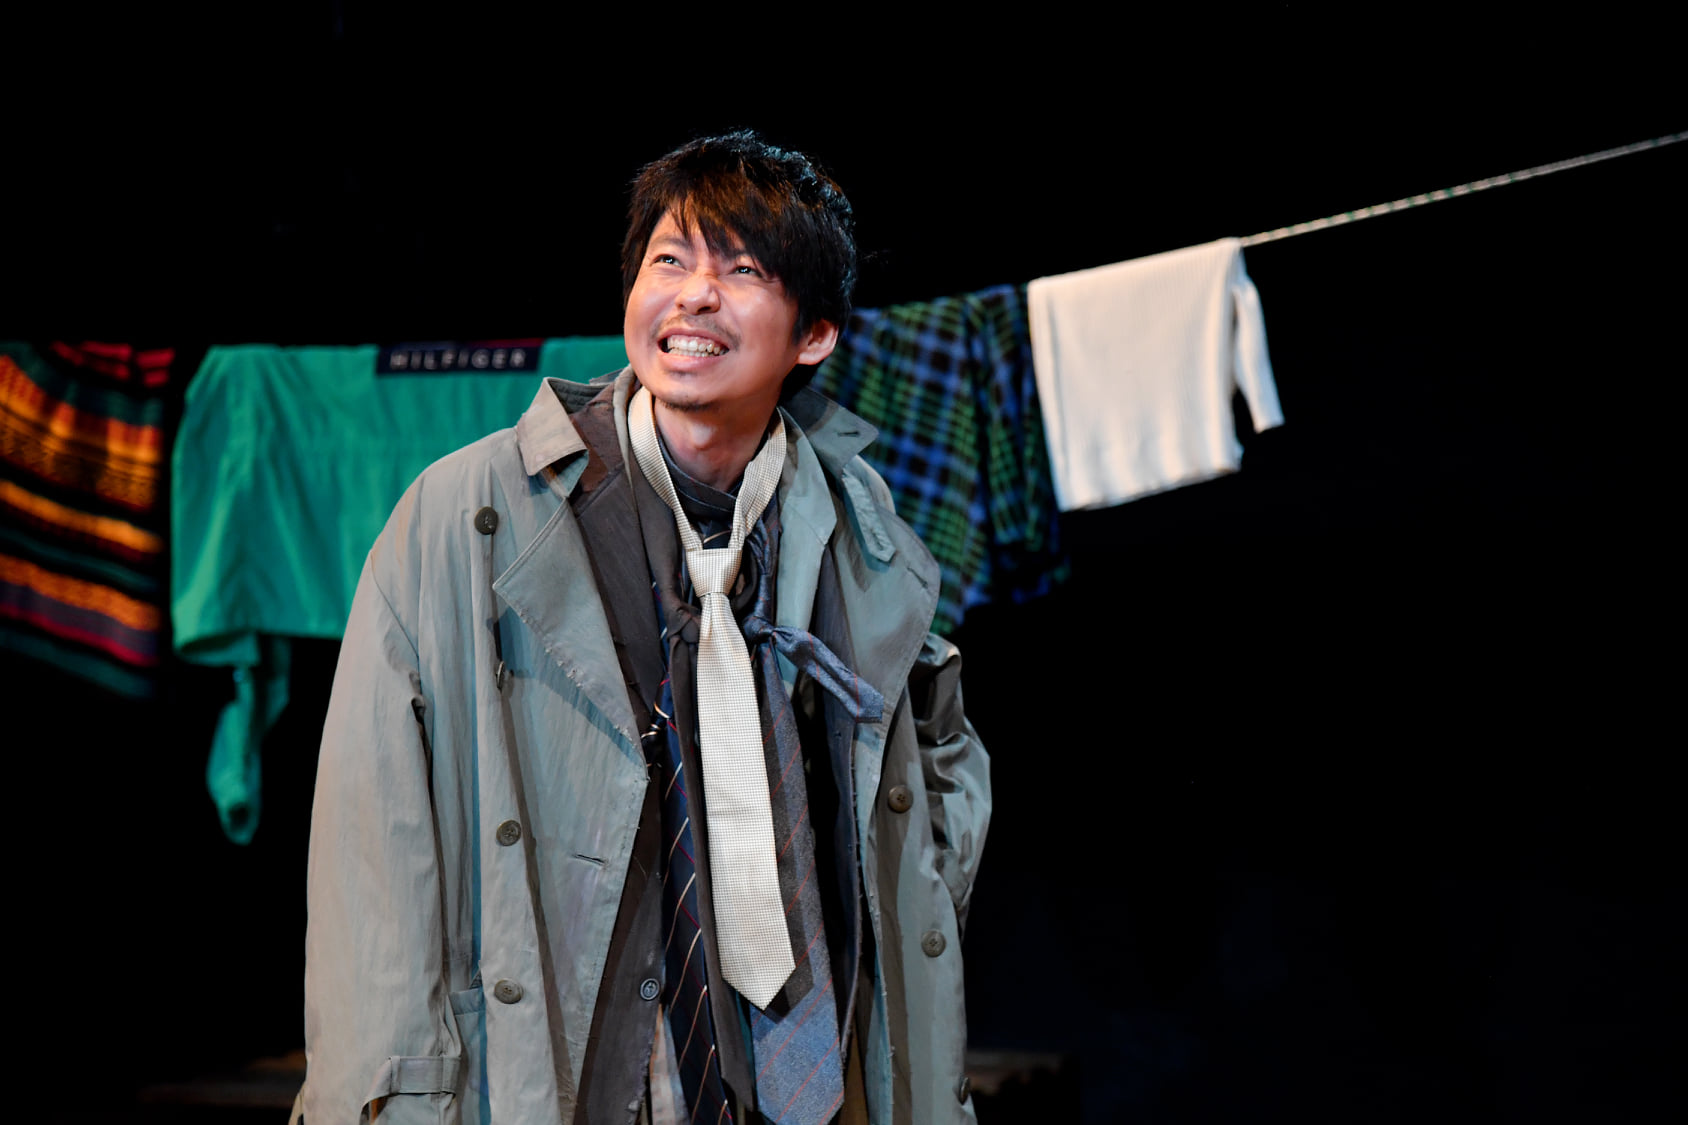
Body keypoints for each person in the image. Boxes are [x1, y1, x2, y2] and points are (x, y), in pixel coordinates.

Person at [300, 131, 990, 1125]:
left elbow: (936, 764)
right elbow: (370, 840)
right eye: (669, 260)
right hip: (564, 1068)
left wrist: (912, 916)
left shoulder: (858, 529)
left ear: (814, 335)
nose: (694, 297)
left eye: (741, 270)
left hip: (810, 1073)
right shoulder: (469, 515)